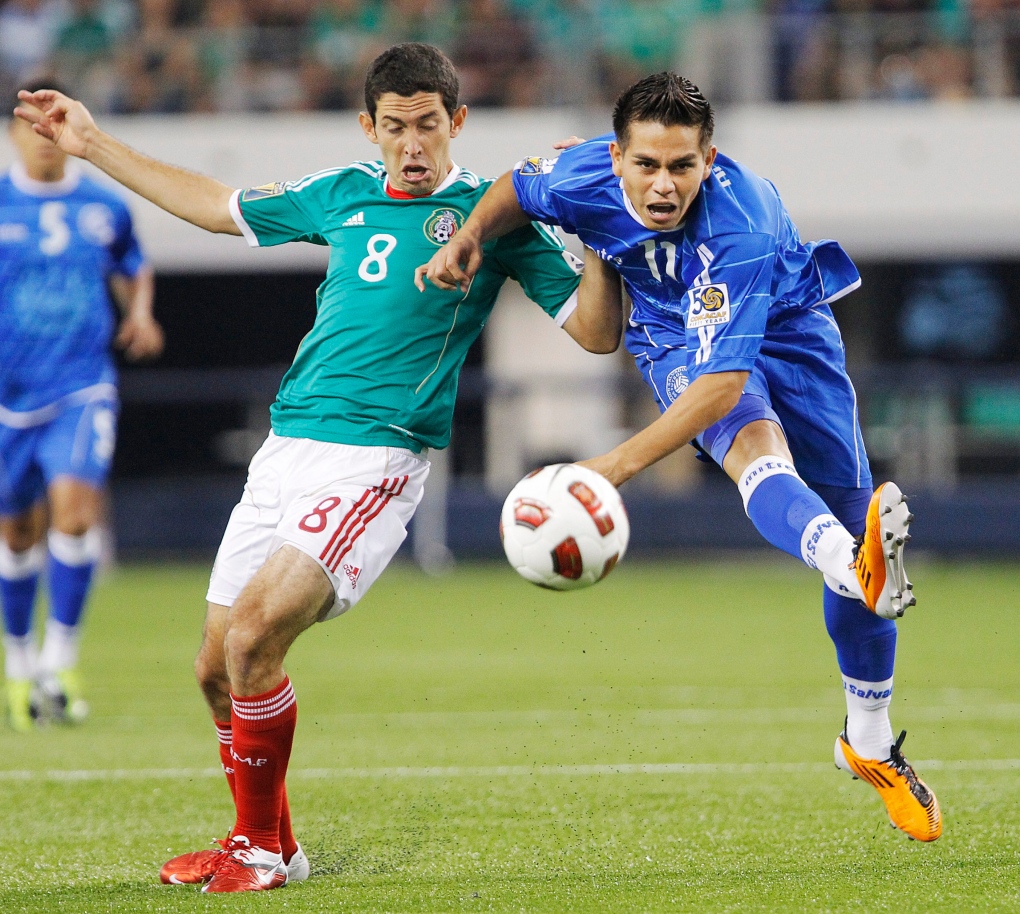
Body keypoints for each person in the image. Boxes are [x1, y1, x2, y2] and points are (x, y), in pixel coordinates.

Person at [15, 43, 623, 891]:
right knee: (213, 669)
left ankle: (260, 854)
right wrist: (92, 143)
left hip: (376, 457)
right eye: (397, 127)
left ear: (458, 123)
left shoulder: (496, 217)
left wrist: (603, 241)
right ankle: (273, 845)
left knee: (259, 635)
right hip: (285, 450)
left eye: (430, 126)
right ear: (370, 127)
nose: (414, 145)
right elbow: (215, 208)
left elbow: (597, 334)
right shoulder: (339, 193)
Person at [421, 71, 942, 843]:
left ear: (710, 158)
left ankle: (866, 738)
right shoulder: (581, 171)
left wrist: (611, 469)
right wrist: (469, 234)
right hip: (669, 333)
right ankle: (852, 559)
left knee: (847, 507)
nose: (663, 185)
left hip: (789, 327)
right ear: (616, 155)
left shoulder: (743, 221)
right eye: (646, 165)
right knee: (761, 455)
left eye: (682, 167)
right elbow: (513, 189)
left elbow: (728, 377)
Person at [1, 81, 161, 732]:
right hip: (9, 399)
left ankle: (62, 661)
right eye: (28, 128)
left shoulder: (102, 205)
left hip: (82, 384)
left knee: (73, 512)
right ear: (13, 135)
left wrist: (141, 312)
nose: (41, 142)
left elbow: (132, 260)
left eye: (50, 127)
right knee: (15, 533)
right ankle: (19, 664)